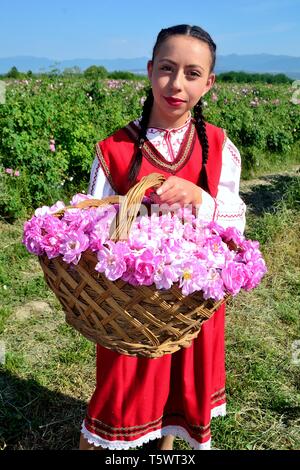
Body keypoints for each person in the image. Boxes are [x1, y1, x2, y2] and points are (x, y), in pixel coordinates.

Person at [79, 24, 246, 451]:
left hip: (192, 308)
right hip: (130, 309)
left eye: (192, 74)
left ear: (209, 83)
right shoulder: (115, 147)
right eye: (167, 69)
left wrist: (200, 200)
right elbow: (88, 224)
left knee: (174, 406)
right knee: (118, 401)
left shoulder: (217, 145)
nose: (176, 84)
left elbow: (236, 226)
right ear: (151, 70)